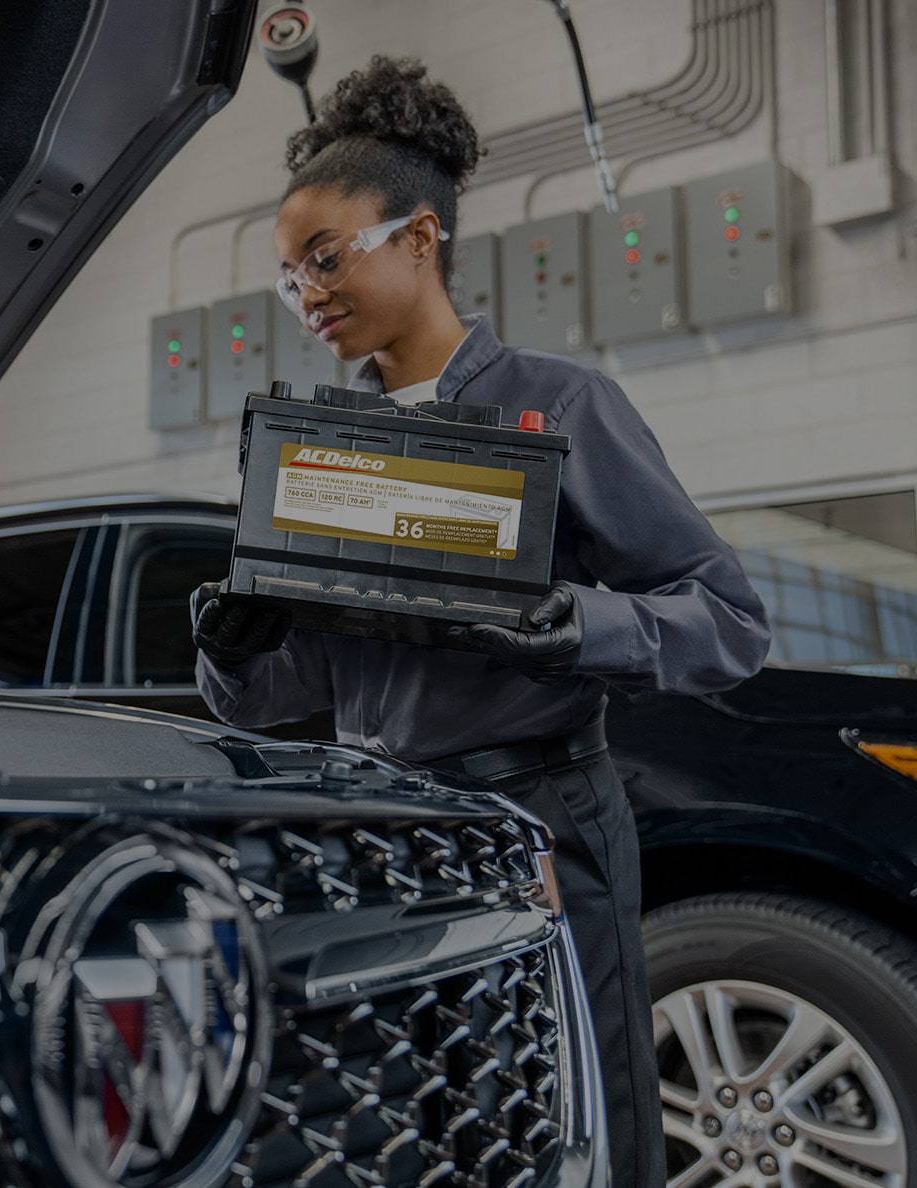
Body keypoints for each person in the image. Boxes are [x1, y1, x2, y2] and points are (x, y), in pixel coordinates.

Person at [191, 57, 771, 1188]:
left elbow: (727, 622)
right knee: (428, 1124)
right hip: (383, 834)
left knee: (584, 1113)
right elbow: (279, 694)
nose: (306, 294)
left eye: (326, 258)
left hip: (538, 822)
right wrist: (234, 650)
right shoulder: (319, 452)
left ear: (419, 237)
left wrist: (579, 624)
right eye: (288, 275)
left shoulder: (561, 405)